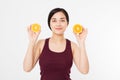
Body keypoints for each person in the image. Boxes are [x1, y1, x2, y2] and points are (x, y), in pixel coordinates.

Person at [23, 7, 89, 80]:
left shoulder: (72, 46)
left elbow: (84, 71)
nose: (58, 24)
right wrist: (32, 42)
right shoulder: (41, 44)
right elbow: (27, 68)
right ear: (49, 23)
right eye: (54, 20)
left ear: (67, 23)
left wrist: (81, 43)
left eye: (62, 20)